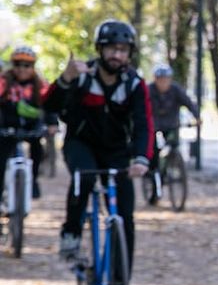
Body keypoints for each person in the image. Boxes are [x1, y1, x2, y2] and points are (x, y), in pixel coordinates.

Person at [42, 20, 153, 270]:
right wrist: (65, 79)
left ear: (129, 53)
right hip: (80, 144)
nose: (117, 55)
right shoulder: (82, 77)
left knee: (125, 216)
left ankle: (120, 284)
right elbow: (49, 106)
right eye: (111, 48)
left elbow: (144, 123)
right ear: (100, 49)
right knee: (85, 179)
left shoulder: (135, 84)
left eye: (123, 50)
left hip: (117, 151)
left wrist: (141, 159)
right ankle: (71, 234)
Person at [0, 46, 59, 202]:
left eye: (27, 65)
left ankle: (33, 180)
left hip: (31, 128)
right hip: (7, 128)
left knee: (37, 148)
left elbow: (50, 105)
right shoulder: (4, 82)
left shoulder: (40, 84)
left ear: (32, 67)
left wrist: (52, 124)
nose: (22, 69)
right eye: (18, 64)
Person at [146, 63, 199, 203]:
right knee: (154, 155)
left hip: (172, 126)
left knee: (174, 145)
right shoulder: (149, 91)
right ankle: (154, 179)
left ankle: (173, 166)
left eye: (166, 79)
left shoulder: (176, 90)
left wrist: (197, 116)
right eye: (160, 79)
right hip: (154, 127)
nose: (163, 82)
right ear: (155, 79)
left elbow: (189, 103)